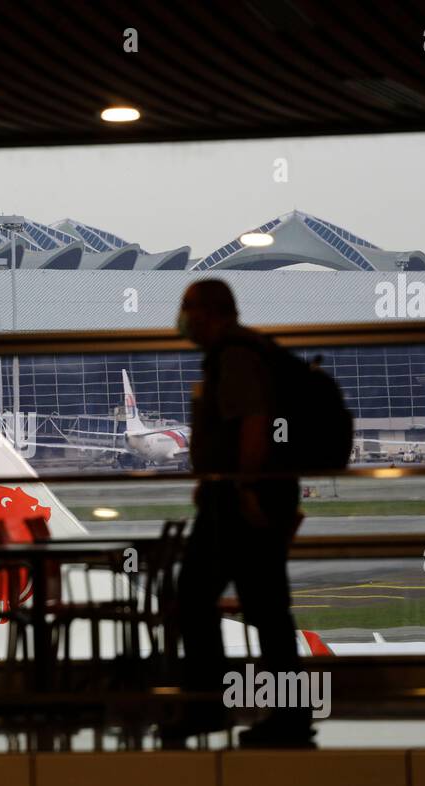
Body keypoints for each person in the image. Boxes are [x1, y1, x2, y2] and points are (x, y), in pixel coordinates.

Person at [176, 278, 312, 747]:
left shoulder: (235, 356)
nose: (182, 317)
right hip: (237, 495)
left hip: (239, 500)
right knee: (267, 609)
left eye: (188, 307)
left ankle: (210, 705)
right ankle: (288, 714)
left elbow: (253, 425)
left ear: (211, 312)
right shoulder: (242, 352)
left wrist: (245, 488)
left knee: (197, 598)